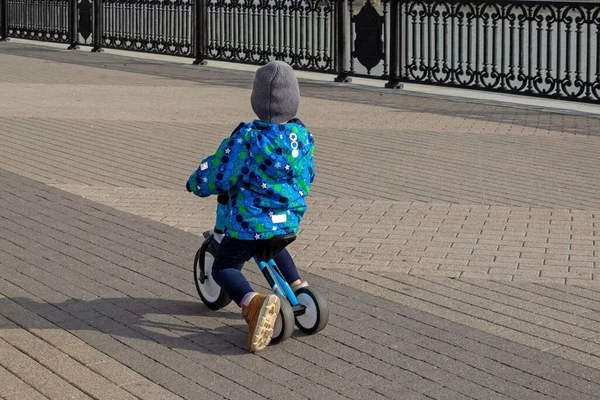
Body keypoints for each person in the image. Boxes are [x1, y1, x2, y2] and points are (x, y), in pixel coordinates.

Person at [186, 61, 315, 352]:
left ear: (256, 102)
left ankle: (252, 303)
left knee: (225, 267)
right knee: (273, 247)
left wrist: (196, 183)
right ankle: (298, 289)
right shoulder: (302, 138)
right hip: (288, 222)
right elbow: (309, 175)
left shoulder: (246, 139)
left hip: (249, 223)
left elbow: (219, 172)